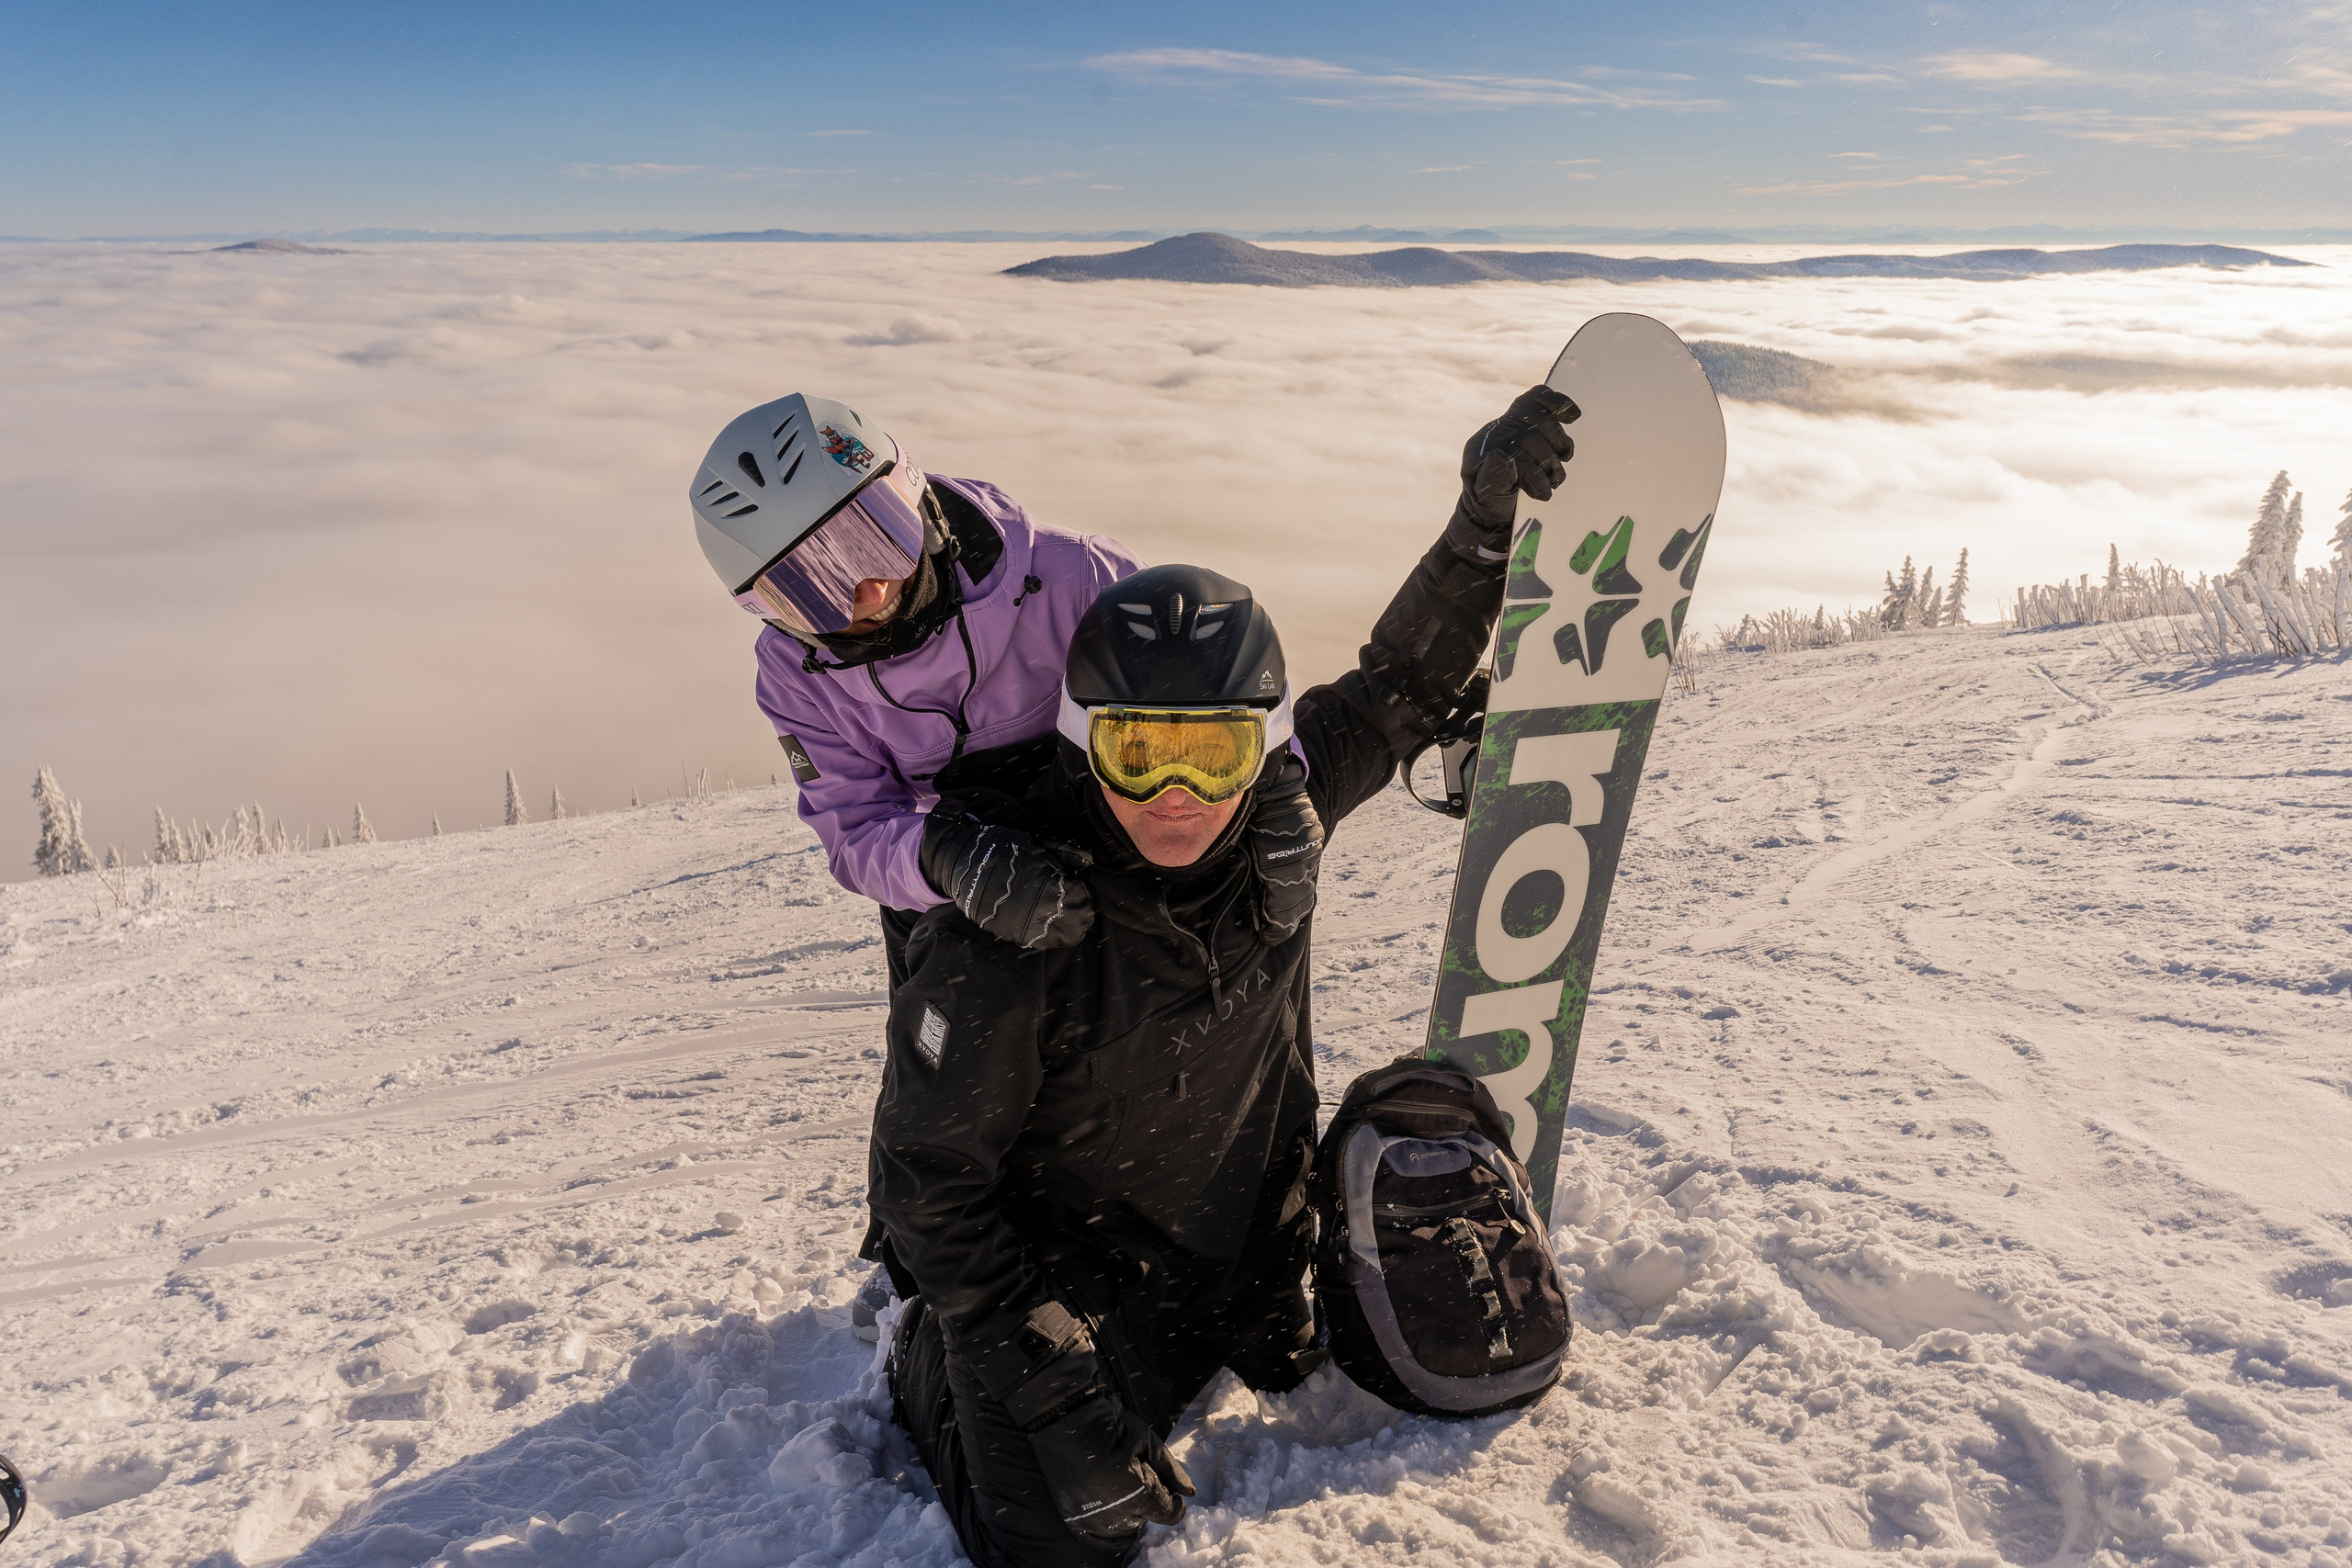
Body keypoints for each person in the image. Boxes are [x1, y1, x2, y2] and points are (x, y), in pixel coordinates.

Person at [869, 386, 1578, 1566]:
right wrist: (1040, 1378)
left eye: (1214, 752)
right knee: (1053, 1540)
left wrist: (1479, 532)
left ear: (1262, 746)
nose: (1178, 798)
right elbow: (927, 1184)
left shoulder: (1271, 829)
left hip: (1243, 1256)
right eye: (1136, 753)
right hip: (1075, 1283)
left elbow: (1400, 685)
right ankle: (920, 1361)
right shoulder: (1010, 919)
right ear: (1079, 738)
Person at [688, 394, 1327, 1333]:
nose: (863, 596)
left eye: (871, 544)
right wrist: (941, 859)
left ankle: (1231, 1210)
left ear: (914, 497)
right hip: (952, 859)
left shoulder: (1064, 574)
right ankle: (929, 1252)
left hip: (1107, 805)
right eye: (811, 590)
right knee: (945, 1049)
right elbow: (850, 822)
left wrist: (1278, 786)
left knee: (1199, 980)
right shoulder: (797, 674)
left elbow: (1209, 680)